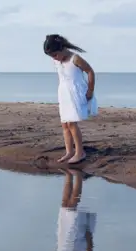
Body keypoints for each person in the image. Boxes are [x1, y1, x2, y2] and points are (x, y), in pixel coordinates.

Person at [43, 34, 98, 164]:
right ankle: (69, 152)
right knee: (65, 124)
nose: (54, 58)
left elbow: (90, 71)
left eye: (55, 55)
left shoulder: (75, 58)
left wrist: (90, 90)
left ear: (61, 48)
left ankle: (80, 152)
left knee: (72, 123)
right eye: (51, 56)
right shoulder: (57, 60)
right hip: (63, 93)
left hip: (75, 92)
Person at [41, 169, 96, 251]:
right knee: (72, 204)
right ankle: (78, 177)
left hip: (64, 234)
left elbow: (59, 250)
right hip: (76, 234)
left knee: (65, 204)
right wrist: (88, 234)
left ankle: (68, 176)